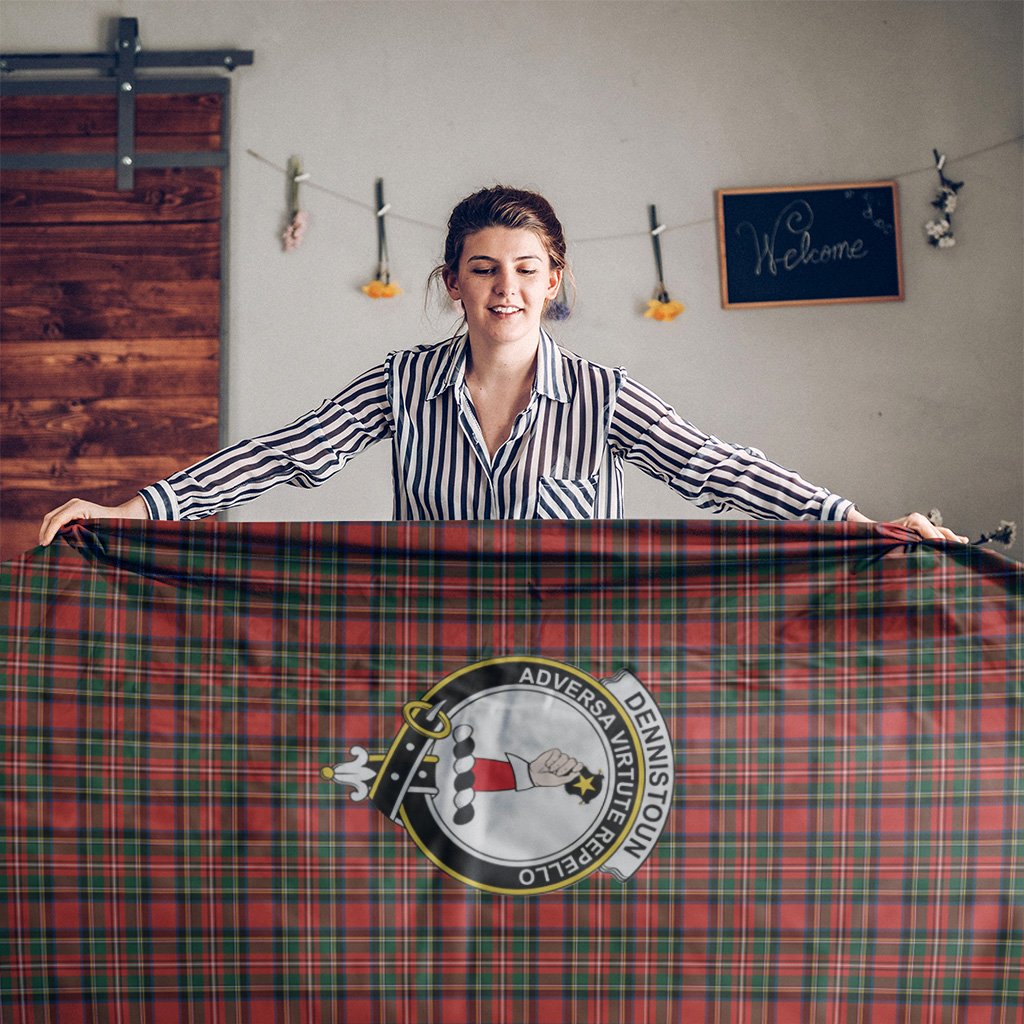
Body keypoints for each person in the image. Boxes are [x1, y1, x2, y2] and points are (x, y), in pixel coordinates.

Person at [38, 185, 968, 546]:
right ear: (453, 283)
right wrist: (135, 511)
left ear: (555, 281)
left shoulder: (604, 397)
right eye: (484, 269)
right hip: (432, 662)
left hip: (577, 665)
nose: (506, 289)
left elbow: (717, 467)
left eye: (527, 271)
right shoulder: (401, 382)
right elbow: (283, 456)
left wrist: (852, 522)